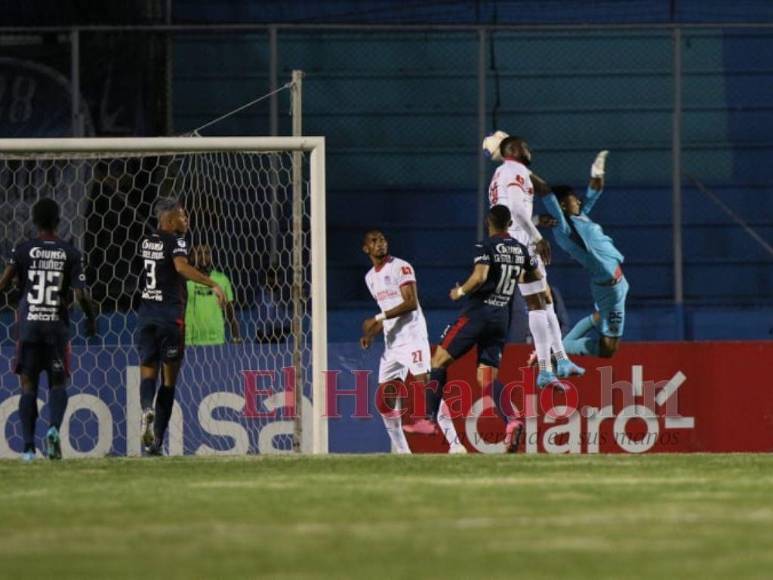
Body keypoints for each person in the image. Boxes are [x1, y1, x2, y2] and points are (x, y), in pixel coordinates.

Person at [410, 205, 560, 453]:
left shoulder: (485, 246)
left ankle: (428, 419)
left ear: (488, 222)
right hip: (502, 318)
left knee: (438, 361)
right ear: (510, 224)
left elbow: (480, 276)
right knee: (487, 377)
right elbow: (536, 280)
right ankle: (511, 420)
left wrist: (460, 291)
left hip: (478, 313)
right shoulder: (521, 249)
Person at [0, 198, 96, 461]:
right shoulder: (70, 252)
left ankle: (28, 448)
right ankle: (53, 429)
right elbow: (81, 294)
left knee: (28, 387)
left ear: (34, 221)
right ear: (58, 221)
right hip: (56, 329)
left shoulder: (23, 250)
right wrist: (91, 318)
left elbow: (4, 283)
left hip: (29, 327)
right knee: (58, 383)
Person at [360, 229, 466, 454]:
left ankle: (456, 445)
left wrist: (377, 318)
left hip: (412, 337)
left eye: (383, 239)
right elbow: (388, 310)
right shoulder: (370, 278)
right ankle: (402, 453)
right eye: (374, 241)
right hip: (392, 344)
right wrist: (370, 334)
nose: (380, 243)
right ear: (366, 249)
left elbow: (410, 303)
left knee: (426, 388)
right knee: (385, 401)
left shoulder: (401, 267)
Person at [488, 135, 584, 378]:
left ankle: (560, 360)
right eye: (525, 147)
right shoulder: (515, 170)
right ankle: (545, 369)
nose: (530, 150)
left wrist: (537, 221)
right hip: (520, 243)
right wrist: (538, 237)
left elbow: (511, 214)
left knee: (545, 300)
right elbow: (517, 209)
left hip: (512, 240)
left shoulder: (500, 174)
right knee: (536, 304)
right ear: (514, 149)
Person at [136, 198, 226, 455]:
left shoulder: (146, 242)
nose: (186, 220)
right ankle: (156, 442)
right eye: (182, 215)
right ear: (168, 218)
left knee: (147, 372)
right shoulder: (177, 241)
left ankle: (146, 409)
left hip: (146, 318)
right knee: (168, 382)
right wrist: (212, 283)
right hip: (170, 319)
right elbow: (180, 266)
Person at [540, 151, 629, 358]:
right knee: (608, 350)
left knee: (608, 343)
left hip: (619, 283)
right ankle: (561, 348)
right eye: (574, 200)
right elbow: (547, 194)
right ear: (562, 205)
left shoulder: (580, 216)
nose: (579, 202)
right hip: (608, 289)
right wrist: (520, 169)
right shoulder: (563, 228)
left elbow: (594, 191)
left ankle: (562, 346)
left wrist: (597, 171)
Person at [185, 244, 242, 345]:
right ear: (191, 257)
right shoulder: (185, 280)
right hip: (190, 339)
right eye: (199, 253)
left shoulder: (222, 279)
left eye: (207, 253)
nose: (203, 256)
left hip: (215, 338)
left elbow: (230, 311)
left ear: (211, 256)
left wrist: (236, 336)